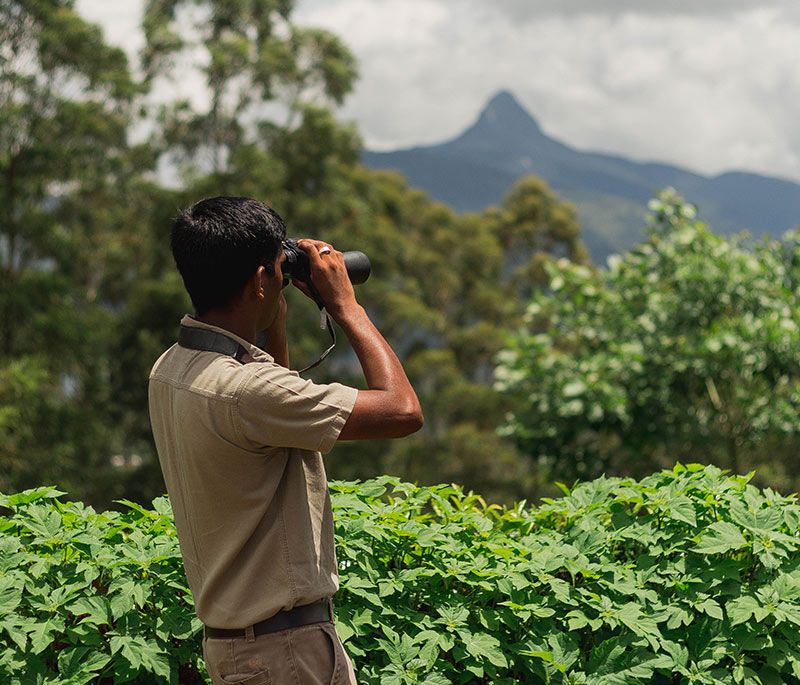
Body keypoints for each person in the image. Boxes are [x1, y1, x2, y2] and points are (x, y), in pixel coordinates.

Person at [148, 196, 423, 685]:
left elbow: (269, 405)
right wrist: (346, 307)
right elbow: (403, 411)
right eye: (277, 269)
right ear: (258, 281)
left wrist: (270, 313)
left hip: (242, 648)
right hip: (286, 655)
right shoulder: (248, 392)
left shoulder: (170, 369)